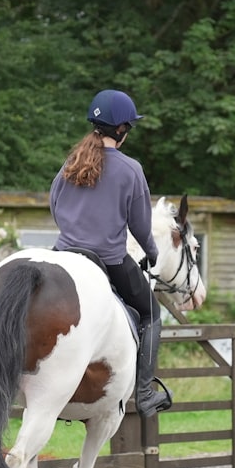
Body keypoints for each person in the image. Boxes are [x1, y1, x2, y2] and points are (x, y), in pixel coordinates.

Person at [50, 89, 172, 417]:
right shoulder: (131, 170)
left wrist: (74, 231)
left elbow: (55, 203)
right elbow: (141, 225)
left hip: (63, 252)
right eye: (128, 127)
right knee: (151, 314)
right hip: (109, 259)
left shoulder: (72, 162)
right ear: (120, 130)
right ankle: (145, 394)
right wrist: (151, 251)